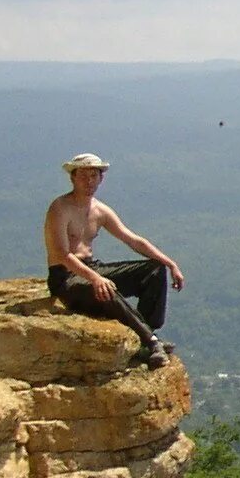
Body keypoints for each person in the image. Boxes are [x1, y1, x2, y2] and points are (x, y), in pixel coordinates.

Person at [43, 152, 185, 367]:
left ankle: (147, 333)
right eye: (83, 175)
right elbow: (63, 254)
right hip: (65, 278)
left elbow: (133, 240)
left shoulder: (100, 210)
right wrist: (95, 279)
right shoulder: (60, 208)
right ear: (72, 178)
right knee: (106, 288)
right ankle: (151, 342)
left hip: (91, 267)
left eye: (94, 175)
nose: (89, 181)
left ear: (101, 179)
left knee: (154, 270)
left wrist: (169, 263)